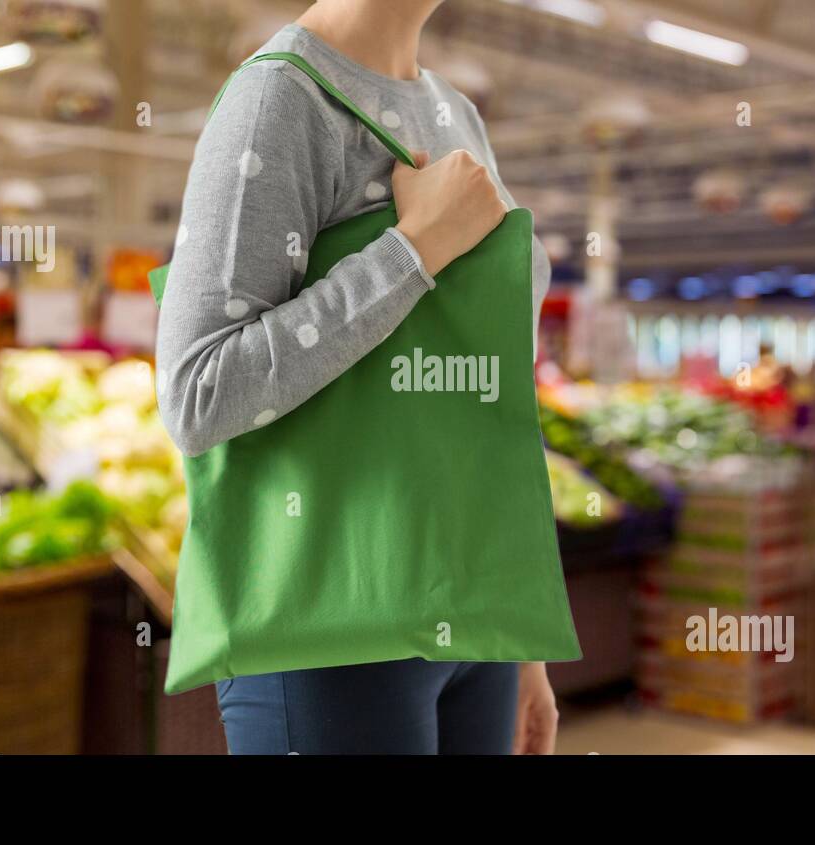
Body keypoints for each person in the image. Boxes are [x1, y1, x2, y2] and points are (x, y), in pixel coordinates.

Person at [155, 0, 559, 754]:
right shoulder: (278, 97)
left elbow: (493, 384)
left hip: (472, 613)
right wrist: (412, 251)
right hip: (328, 629)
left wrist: (519, 636)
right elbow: (198, 391)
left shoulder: (457, 113)